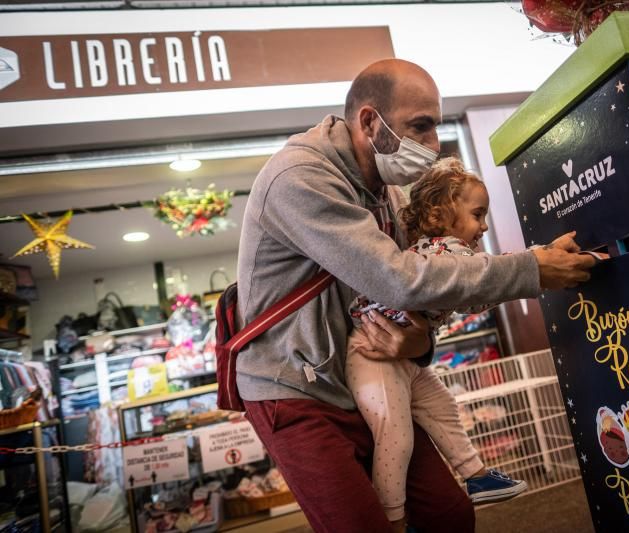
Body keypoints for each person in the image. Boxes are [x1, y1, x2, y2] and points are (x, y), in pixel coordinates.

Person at [236, 58, 598, 533]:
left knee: (446, 514)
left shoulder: (389, 191)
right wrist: (531, 270)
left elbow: (421, 296)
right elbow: (402, 279)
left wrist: (420, 342)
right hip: (294, 392)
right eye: (420, 127)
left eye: (436, 128)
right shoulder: (300, 178)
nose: (433, 145)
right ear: (369, 122)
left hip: (367, 373)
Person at [346, 157, 535, 533]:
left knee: (443, 407)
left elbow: (477, 285)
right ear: (440, 213)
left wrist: (514, 270)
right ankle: (393, 519)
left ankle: (476, 475)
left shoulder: (448, 251)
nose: (483, 226)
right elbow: (474, 292)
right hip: (373, 354)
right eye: (478, 214)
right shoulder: (444, 253)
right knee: (395, 437)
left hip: (402, 358)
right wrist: (530, 269)